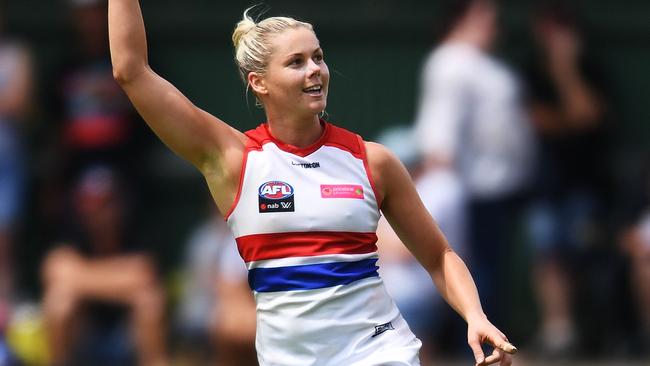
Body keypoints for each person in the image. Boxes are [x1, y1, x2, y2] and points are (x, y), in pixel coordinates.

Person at [108, 1, 517, 364]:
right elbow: (131, 71)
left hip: (378, 350)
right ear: (258, 82)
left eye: (318, 57)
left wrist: (475, 316)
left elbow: (439, 255)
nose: (315, 70)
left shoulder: (372, 161)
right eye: (296, 62)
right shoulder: (234, 160)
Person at [413, 0, 535, 325]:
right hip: (472, 189)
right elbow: (440, 130)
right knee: (474, 267)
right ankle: (476, 342)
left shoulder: (480, 62)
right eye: (485, 17)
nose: (494, 25)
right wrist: (446, 191)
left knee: (491, 264)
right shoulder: (450, 62)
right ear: (462, 17)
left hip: (500, 184)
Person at [523, 1, 612, 357]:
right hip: (546, 185)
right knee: (548, 253)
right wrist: (570, 116)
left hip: (587, 187)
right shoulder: (531, 72)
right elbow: (542, 121)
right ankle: (559, 330)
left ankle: (586, 334)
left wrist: (566, 70)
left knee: (583, 255)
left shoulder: (592, 69)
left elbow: (589, 116)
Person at [41, 166, 168, 366]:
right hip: (85, 332)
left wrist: (81, 278)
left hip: (126, 335)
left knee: (150, 302)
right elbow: (55, 270)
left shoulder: (138, 229)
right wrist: (120, 280)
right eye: (90, 204)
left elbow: (143, 276)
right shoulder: (71, 232)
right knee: (60, 301)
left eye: (106, 203)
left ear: (120, 203)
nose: (99, 212)